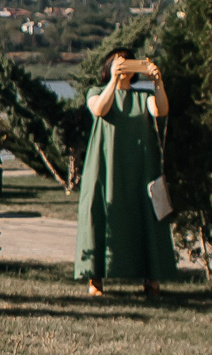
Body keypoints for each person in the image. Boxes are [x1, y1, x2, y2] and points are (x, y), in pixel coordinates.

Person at [74, 49, 176, 296]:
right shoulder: (96, 92)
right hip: (105, 165)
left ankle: (151, 280)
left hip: (140, 168)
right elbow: (99, 109)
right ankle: (95, 279)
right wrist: (112, 80)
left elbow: (161, 110)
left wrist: (158, 82)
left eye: (127, 61)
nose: (123, 66)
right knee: (99, 212)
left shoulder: (143, 97)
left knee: (146, 216)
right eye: (118, 61)